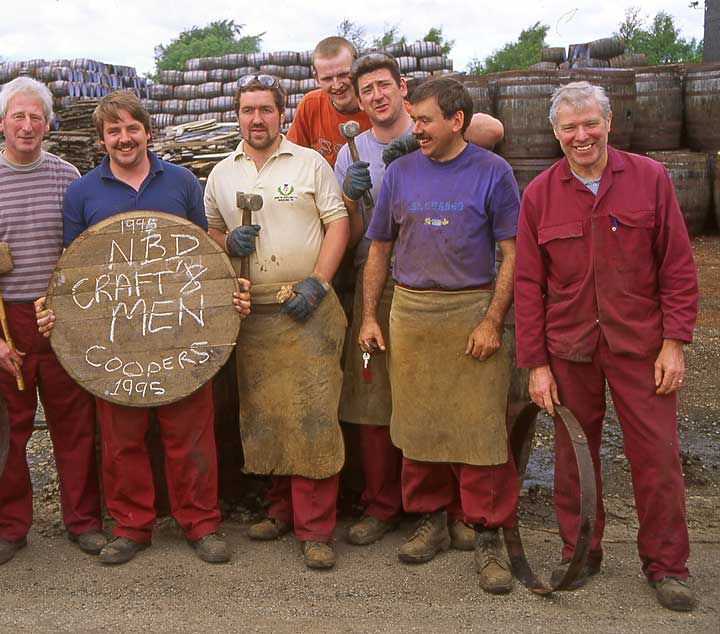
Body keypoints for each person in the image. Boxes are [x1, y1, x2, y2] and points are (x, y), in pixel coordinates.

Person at [37, 90, 250, 566]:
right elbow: (75, 268)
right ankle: (132, 526)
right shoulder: (82, 193)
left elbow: (205, 253)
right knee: (121, 440)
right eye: (113, 131)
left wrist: (227, 293)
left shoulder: (179, 182)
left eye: (132, 128)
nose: (124, 138)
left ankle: (201, 523)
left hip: (181, 328)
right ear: (101, 140)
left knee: (190, 434)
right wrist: (61, 315)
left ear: (148, 132)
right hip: (114, 337)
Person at [514, 81, 699, 611]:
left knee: (657, 458)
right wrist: (536, 365)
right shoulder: (540, 194)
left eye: (590, 123)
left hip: (641, 345)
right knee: (575, 458)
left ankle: (667, 566)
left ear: (609, 123)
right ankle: (581, 553)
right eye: (569, 128)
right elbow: (528, 286)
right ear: (555, 133)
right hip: (569, 347)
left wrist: (674, 343)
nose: (581, 136)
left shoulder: (649, 179)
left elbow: (678, 269)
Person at [357, 77, 519, 594]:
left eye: (425, 119)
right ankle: (431, 519)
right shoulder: (400, 173)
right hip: (412, 313)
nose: (416, 128)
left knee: (480, 430)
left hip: (471, 309)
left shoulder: (494, 173)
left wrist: (492, 320)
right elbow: (379, 249)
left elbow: (513, 254)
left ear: (457, 121)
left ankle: (487, 531)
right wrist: (369, 316)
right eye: (415, 118)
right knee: (418, 423)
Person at [203, 74, 350, 570]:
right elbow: (213, 229)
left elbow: (338, 223)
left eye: (266, 109)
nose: (257, 118)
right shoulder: (222, 173)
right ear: (238, 114)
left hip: (306, 302)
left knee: (312, 415)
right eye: (248, 110)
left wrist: (318, 282)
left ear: (281, 115)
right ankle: (281, 511)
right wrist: (227, 245)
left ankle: (316, 529)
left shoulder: (310, 163)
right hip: (254, 311)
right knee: (266, 415)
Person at [0, 77, 104, 566]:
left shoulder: (68, 177)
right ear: (0, 122)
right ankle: (8, 526)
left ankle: (83, 521)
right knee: (5, 428)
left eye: (35, 117)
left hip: (59, 315)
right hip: (6, 316)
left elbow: (82, 253)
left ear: (48, 123)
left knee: (76, 424)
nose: (26, 125)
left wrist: (70, 313)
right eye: (17, 116)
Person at [288, 36, 503, 168]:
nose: (336, 85)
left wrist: (413, 139)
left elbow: (493, 130)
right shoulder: (310, 106)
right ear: (315, 78)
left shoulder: (392, 107)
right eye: (327, 79)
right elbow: (289, 157)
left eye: (344, 75)